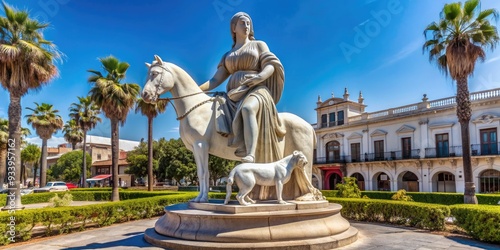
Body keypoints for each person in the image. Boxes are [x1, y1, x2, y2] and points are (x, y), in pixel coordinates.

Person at [199, 12, 286, 164]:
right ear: (233, 28)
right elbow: (214, 80)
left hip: (256, 89)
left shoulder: (259, 45)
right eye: (242, 23)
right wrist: (196, 90)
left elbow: (271, 65)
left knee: (247, 109)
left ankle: (251, 154)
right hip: (233, 94)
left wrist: (260, 77)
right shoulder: (228, 55)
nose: (246, 26)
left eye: (248, 23)